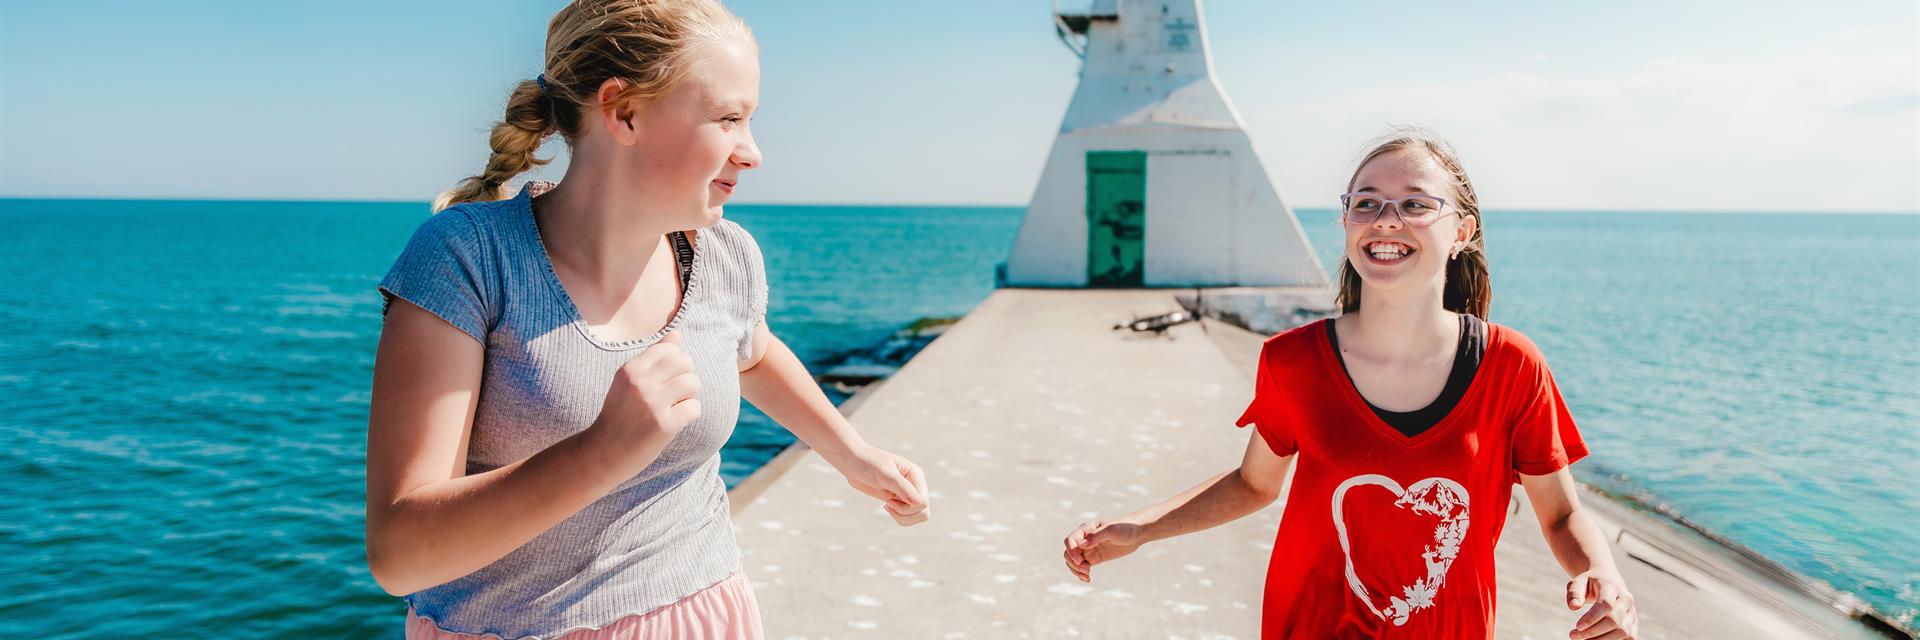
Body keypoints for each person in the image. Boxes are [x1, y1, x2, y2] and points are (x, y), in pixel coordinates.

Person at [364, 2, 929, 637]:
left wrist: (852, 455)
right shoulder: (466, 258)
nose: (754, 153)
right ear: (624, 112)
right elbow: (398, 555)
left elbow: (752, 352)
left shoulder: (723, 255)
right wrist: (601, 452)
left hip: (709, 615)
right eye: (729, 119)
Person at [1062, 131, 1637, 639]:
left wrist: (1603, 575)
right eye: (1367, 204)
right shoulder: (1293, 360)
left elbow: (1561, 516)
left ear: (1461, 230)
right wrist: (1143, 526)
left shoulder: (1511, 366)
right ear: (1346, 224)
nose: (1387, 219)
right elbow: (1252, 484)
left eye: (1415, 204)